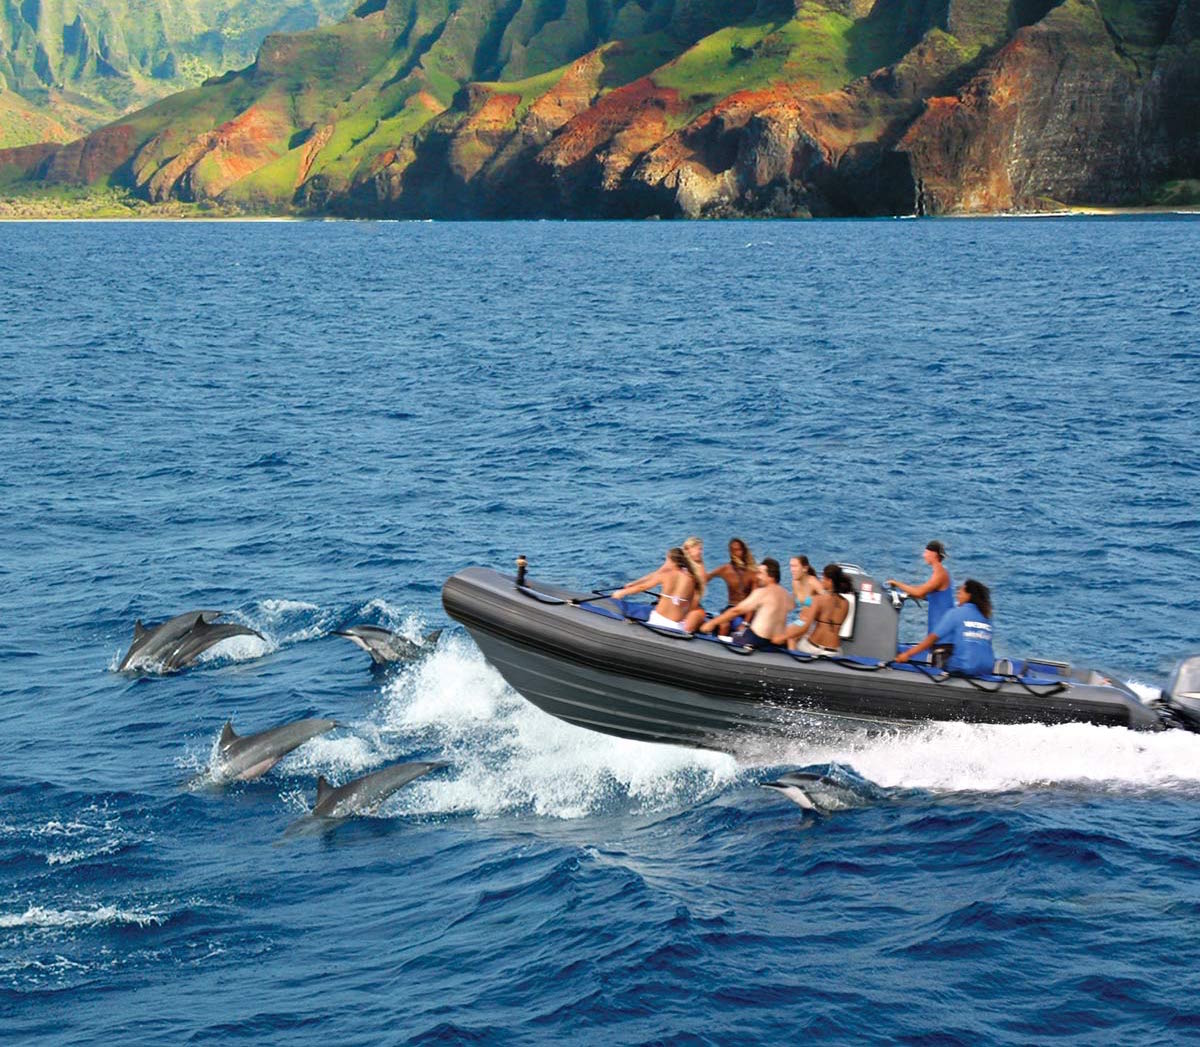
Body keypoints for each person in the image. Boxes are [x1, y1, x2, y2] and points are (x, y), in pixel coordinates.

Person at [894, 579, 994, 675]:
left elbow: (931, 640)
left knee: (940, 657)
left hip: (964, 666)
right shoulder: (985, 617)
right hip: (988, 667)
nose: (958, 594)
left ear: (969, 595)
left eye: (961, 591)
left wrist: (907, 654)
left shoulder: (956, 613)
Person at [699, 558, 793, 649]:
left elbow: (737, 610)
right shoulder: (786, 595)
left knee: (725, 632)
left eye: (760, 573)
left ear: (771, 576)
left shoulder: (763, 592)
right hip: (775, 643)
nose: (757, 576)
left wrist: (711, 623)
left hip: (756, 639)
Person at [612, 547, 706, 633]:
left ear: (671, 560)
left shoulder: (666, 575)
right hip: (676, 627)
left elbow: (643, 587)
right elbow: (689, 604)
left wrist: (621, 593)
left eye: (666, 560)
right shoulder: (692, 579)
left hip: (657, 621)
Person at [774, 563, 854, 655]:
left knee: (791, 637)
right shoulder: (846, 603)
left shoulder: (816, 599)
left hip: (815, 648)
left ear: (830, 581)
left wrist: (782, 637)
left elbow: (804, 625)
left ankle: (795, 662)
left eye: (823, 578)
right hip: (836, 651)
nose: (822, 581)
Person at [886, 540, 953, 634]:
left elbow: (919, 592)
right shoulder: (940, 573)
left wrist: (897, 584)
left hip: (942, 631)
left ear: (933, 554)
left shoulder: (940, 574)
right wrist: (908, 592)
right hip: (938, 629)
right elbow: (923, 593)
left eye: (926, 552)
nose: (923, 555)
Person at [706, 538, 757, 635]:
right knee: (723, 625)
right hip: (732, 608)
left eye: (738, 550)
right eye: (732, 550)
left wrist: (745, 623)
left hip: (747, 612)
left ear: (744, 551)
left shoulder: (752, 573)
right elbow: (705, 578)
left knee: (741, 629)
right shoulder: (726, 569)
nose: (735, 553)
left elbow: (753, 602)